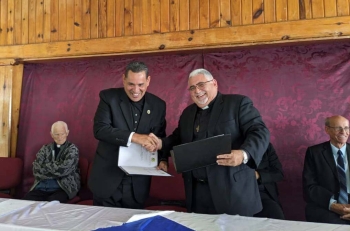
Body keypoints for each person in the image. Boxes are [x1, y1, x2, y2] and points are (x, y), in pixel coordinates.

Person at [151, 68, 270, 215]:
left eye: (201, 85)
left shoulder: (237, 103)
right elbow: (177, 139)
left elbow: (260, 131)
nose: (197, 91)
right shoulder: (187, 113)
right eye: (192, 88)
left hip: (232, 192)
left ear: (214, 83)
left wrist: (243, 154)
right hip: (197, 194)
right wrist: (161, 144)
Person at [88, 61, 167, 209]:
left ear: (148, 81)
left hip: (137, 185)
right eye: (131, 84)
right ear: (123, 79)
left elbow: (160, 136)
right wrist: (135, 137)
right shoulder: (108, 97)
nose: (135, 90)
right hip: (107, 181)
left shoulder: (158, 105)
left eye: (141, 84)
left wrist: (162, 158)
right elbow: (100, 129)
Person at [303, 115, 350, 224]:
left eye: (346, 128)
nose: (344, 132)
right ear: (327, 129)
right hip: (325, 205)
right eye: (338, 128)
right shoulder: (314, 153)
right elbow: (309, 187)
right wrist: (333, 206)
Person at [23, 121, 80, 203]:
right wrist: (57, 167)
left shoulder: (72, 149)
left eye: (62, 134)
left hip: (63, 188)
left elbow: (64, 170)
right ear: (51, 134)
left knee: (51, 205)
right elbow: (36, 169)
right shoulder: (45, 149)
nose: (60, 137)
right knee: (26, 202)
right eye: (57, 134)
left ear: (67, 133)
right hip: (42, 187)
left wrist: (46, 167)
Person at [254, 142, 285, 219]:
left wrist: (258, 175)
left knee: (277, 216)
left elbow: (278, 173)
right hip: (238, 195)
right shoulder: (228, 146)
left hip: (263, 195)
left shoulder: (266, 146)